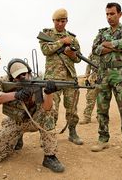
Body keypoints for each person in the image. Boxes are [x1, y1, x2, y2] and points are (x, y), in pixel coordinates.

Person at [0, 59, 65, 173]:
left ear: (29, 71)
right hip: (15, 121)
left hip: (34, 120)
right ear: (12, 77)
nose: (23, 77)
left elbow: (47, 108)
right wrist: (16, 95)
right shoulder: (4, 81)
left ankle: (50, 156)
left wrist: (49, 93)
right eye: (18, 76)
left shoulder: (38, 82)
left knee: (48, 114)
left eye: (24, 74)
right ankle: (16, 137)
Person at [90, 2, 122, 159]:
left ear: (119, 14)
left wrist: (108, 45)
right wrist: (116, 47)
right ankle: (103, 139)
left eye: (112, 14)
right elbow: (95, 49)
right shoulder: (102, 32)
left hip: (120, 76)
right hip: (103, 76)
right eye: (107, 14)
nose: (109, 17)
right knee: (101, 109)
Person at [39, 8, 83, 145]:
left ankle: (72, 132)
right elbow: (45, 50)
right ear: (53, 21)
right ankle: (48, 135)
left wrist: (71, 54)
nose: (60, 24)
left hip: (70, 77)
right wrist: (62, 42)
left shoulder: (73, 38)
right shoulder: (46, 34)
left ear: (66, 21)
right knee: (51, 109)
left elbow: (78, 59)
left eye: (63, 21)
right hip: (53, 78)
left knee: (72, 108)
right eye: (57, 21)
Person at [79, 52, 100, 124]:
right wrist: (86, 78)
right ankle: (87, 117)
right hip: (93, 80)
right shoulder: (92, 54)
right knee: (90, 99)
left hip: (104, 80)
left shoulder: (107, 53)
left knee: (102, 100)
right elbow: (88, 66)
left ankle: (101, 117)